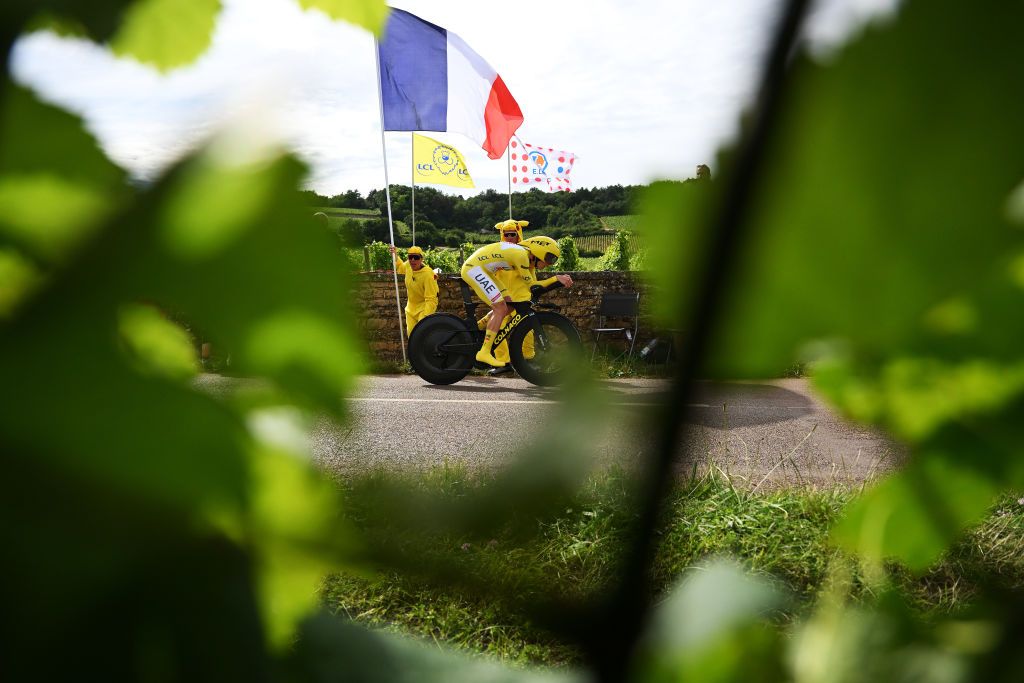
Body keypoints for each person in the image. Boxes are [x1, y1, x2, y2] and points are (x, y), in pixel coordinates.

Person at [460, 231, 565, 368]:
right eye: (550, 258)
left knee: (509, 304)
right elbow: (532, 285)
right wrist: (556, 279)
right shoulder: (521, 256)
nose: (550, 263)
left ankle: (475, 329)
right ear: (540, 251)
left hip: (484, 270)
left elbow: (531, 284)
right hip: (474, 269)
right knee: (500, 308)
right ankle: (484, 352)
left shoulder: (526, 257)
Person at [390, 245, 439, 337]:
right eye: (410, 257)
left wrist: (426, 316)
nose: (412, 260)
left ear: (421, 259)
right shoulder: (408, 265)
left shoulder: (428, 274)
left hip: (424, 307)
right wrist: (395, 255)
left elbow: (431, 298)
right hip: (411, 308)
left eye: (416, 257)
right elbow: (400, 268)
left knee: (422, 335)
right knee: (411, 336)